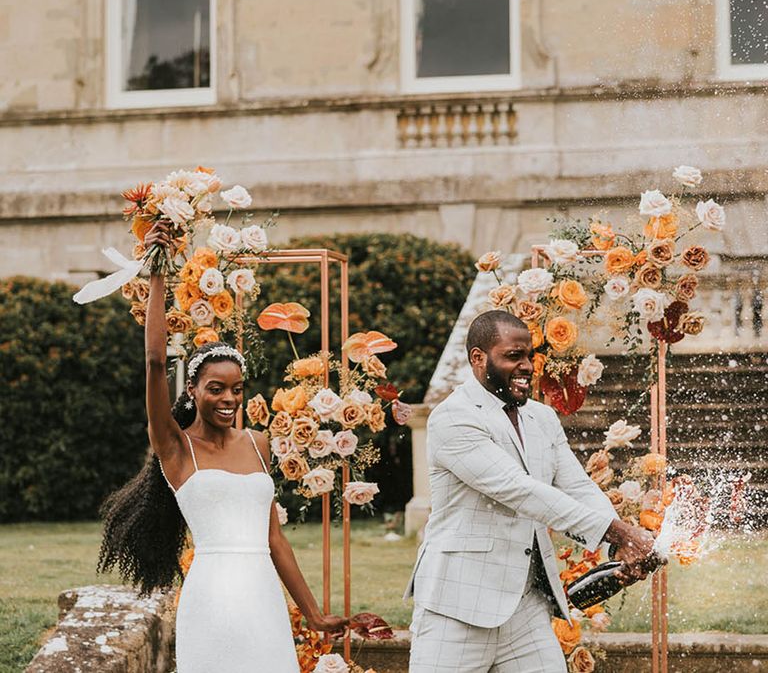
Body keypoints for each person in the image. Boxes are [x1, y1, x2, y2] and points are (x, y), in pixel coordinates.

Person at [98, 222, 346, 672]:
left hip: (262, 599)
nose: (229, 399)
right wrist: (158, 272)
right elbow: (155, 361)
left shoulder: (258, 442)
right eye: (216, 389)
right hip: (210, 600)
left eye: (236, 389)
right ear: (192, 389)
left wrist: (313, 614)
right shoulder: (175, 447)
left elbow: (274, 540)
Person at [405, 310, 658, 672]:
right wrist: (619, 532)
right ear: (478, 359)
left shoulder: (542, 418)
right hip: (457, 606)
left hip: (527, 610)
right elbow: (519, 491)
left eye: (529, 356)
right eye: (513, 356)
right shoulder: (453, 417)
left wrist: (616, 545)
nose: (527, 366)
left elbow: (577, 487)